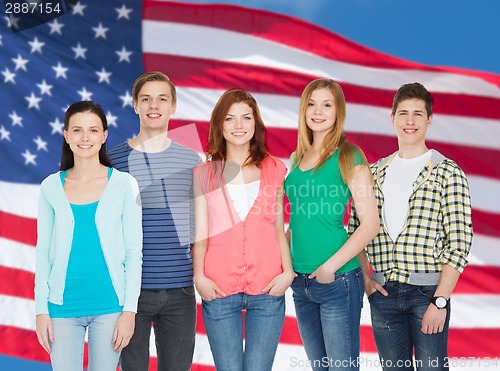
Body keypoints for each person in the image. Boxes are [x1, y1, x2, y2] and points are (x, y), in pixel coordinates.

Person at [350, 82, 473, 370]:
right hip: (384, 295)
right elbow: (355, 230)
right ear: (392, 118)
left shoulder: (447, 173)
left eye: (418, 114)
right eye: (403, 113)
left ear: (429, 119)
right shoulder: (374, 173)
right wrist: (367, 280)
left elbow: (459, 242)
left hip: (427, 296)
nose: (410, 121)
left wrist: (440, 301)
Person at [34, 101, 143, 371]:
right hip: (61, 308)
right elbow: (42, 251)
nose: (85, 138)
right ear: (66, 135)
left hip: (110, 306)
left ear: (104, 136)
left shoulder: (125, 185)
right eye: (78, 130)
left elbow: (133, 252)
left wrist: (129, 311)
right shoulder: (50, 187)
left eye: (93, 131)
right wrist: (40, 310)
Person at [192, 88, 295, 371]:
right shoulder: (204, 173)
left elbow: (278, 227)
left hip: (267, 286)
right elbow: (200, 234)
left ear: (255, 124)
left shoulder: (275, 168)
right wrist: (199, 277)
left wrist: (287, 273)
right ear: (220, 125)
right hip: (218, 287)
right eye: (230, 119)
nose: (238, 126)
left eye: (246, 118)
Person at [284, 78, 379, 371]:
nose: (318, 111)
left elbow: (370, 224)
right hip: (301, 283)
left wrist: (329, 268)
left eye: (327, 105)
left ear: (339, 111)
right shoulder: (296, 158)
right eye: (311, 104)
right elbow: (296, 222)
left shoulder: (350, 155)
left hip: (337, 281)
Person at [108, 71, 200, 371]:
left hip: (180, 291)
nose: (153, 105)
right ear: (135, 105)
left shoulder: (191, 160)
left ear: (173, 106)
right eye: (145, 99)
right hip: (129, 295)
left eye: (162, 98)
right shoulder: (113, 161)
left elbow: (201, 226)